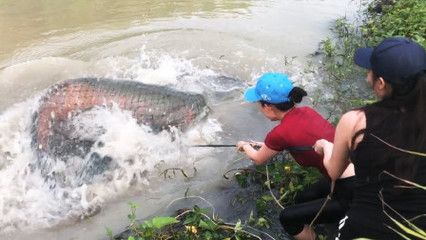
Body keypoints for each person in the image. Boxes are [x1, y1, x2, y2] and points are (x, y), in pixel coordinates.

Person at [314, 37, 426, 239]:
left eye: (370, 71)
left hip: (369, 224)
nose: (367, 77)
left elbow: (334, 171)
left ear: (381, 83)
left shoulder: (355, 121)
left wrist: (325, 146)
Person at [236, 72, 355, 240]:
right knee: (302, 197)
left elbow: (258, 159)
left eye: (259, 104)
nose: (259, 108)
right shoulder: (307, 111)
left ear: (268, 106)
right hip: (352, 170)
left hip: (351, 189)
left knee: (287, 217)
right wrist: (267, 146)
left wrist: (244, 146)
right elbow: (298, 140)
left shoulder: (279, 133)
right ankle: (321, 222)